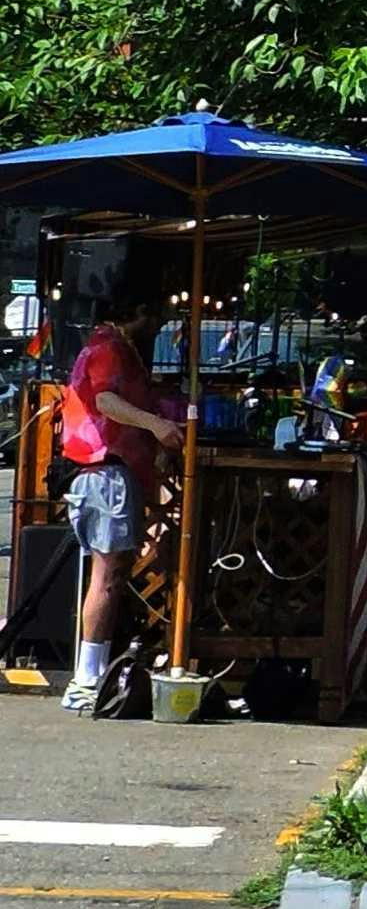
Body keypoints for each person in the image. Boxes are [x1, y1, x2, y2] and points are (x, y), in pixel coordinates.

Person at [58, 291, 184, 710]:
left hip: (107, 470)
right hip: (106, 468)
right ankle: (85, 679)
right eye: (158, 312)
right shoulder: (110, 347)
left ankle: (91, 671)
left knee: (110, 572)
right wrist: (156, 424)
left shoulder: (108, 346)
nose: (162, 321)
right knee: (108, 574)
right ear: (138, 312)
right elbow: (106, 402)